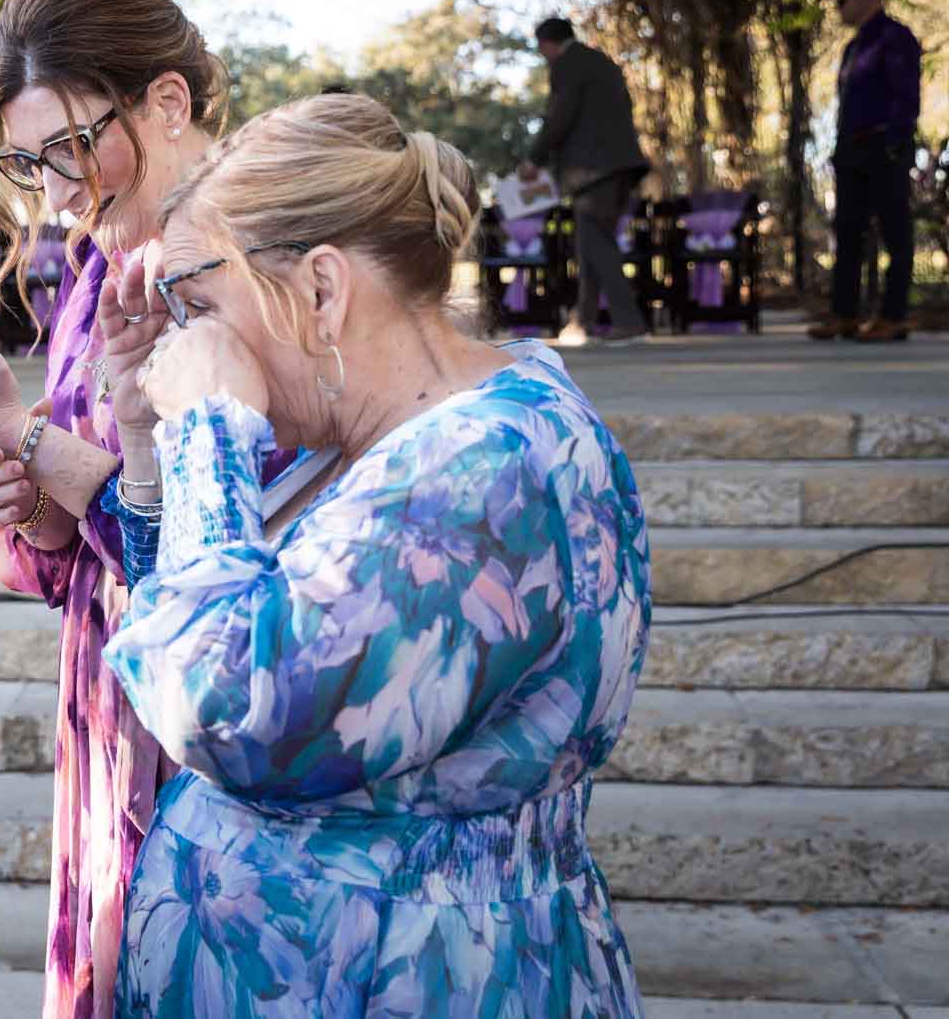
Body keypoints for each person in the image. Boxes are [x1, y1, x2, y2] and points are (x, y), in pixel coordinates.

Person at [104, 92, 650, 1016]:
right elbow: (191, 605)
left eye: (198, 303)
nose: (186, 340)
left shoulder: (489, 471)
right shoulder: (369, 438)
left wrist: (205, 427)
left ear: (321, 288)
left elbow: (222, 703)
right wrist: (147, 443)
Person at [0, 0, 289, 1019]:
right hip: (108, 690)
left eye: (73, 145)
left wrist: (22, 438)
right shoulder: (91, 271)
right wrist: (29, 501)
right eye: (34, 164)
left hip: (215, 719)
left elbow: (244, 541)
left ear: (166, 100)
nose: (60, 188)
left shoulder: (246, 267)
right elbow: (83, 532)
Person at [518, 16, 652, 346]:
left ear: (546, 44)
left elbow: (561, 115)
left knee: (597, 243)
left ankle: (628, 321)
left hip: (592, 170)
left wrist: (534, 159)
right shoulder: (600, 63)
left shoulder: (568, 65)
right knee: (590, 242)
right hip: (621, 166)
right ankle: (583, 321)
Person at [810, 0, 924, 342]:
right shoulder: (853, 47)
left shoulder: (894, 38)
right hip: (851, 150)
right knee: (847, 231)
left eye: (843, 0)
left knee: (895, 229)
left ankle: (894, 315)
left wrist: (894, 141)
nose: (837, 9)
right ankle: (844, 313)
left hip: (883, 146)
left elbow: (906, 96)